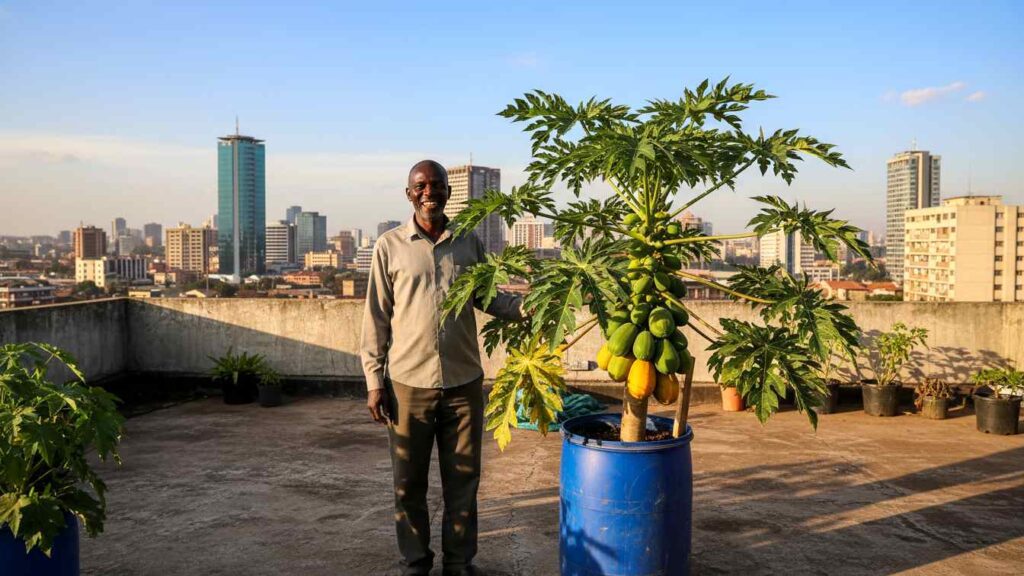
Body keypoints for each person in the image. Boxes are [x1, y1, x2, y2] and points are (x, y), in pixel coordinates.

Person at [361, 160, 524, 576]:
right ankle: (415, 562)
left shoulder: (468, 243)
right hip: (407, 386)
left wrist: (533, 306)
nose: (428, 191)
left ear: (449, 193)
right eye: (420, 186)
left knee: (464, 483)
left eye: (436, 185)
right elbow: (376, 317)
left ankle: (459, 563)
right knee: (408, 484)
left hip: (463, 383)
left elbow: (489, 298)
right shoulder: (389, 246)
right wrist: (373, 381)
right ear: (409, 194)